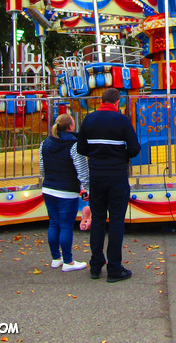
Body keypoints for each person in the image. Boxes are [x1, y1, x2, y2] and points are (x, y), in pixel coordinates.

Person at [76, 88, 140, 283]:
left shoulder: (89, 119)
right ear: (117, 102)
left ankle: (95, 266)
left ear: (101, 100)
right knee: (116, 221)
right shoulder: (121, 120)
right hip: (117, 175)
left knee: (97, 220)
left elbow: (81, 148)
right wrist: (121, 156)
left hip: (96, 175)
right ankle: (114, 268)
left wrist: (96, 155)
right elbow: (135, 149)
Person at [40, 113, 90, 273]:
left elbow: (42, 168)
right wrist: (87, 186)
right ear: (70, 127)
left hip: (48, 187)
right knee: (66, 225)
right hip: (67, 190)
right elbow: (82, 169)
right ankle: (68, 260)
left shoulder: (45, 143)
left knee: (54, 223)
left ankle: (56, 258)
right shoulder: (74, 145)